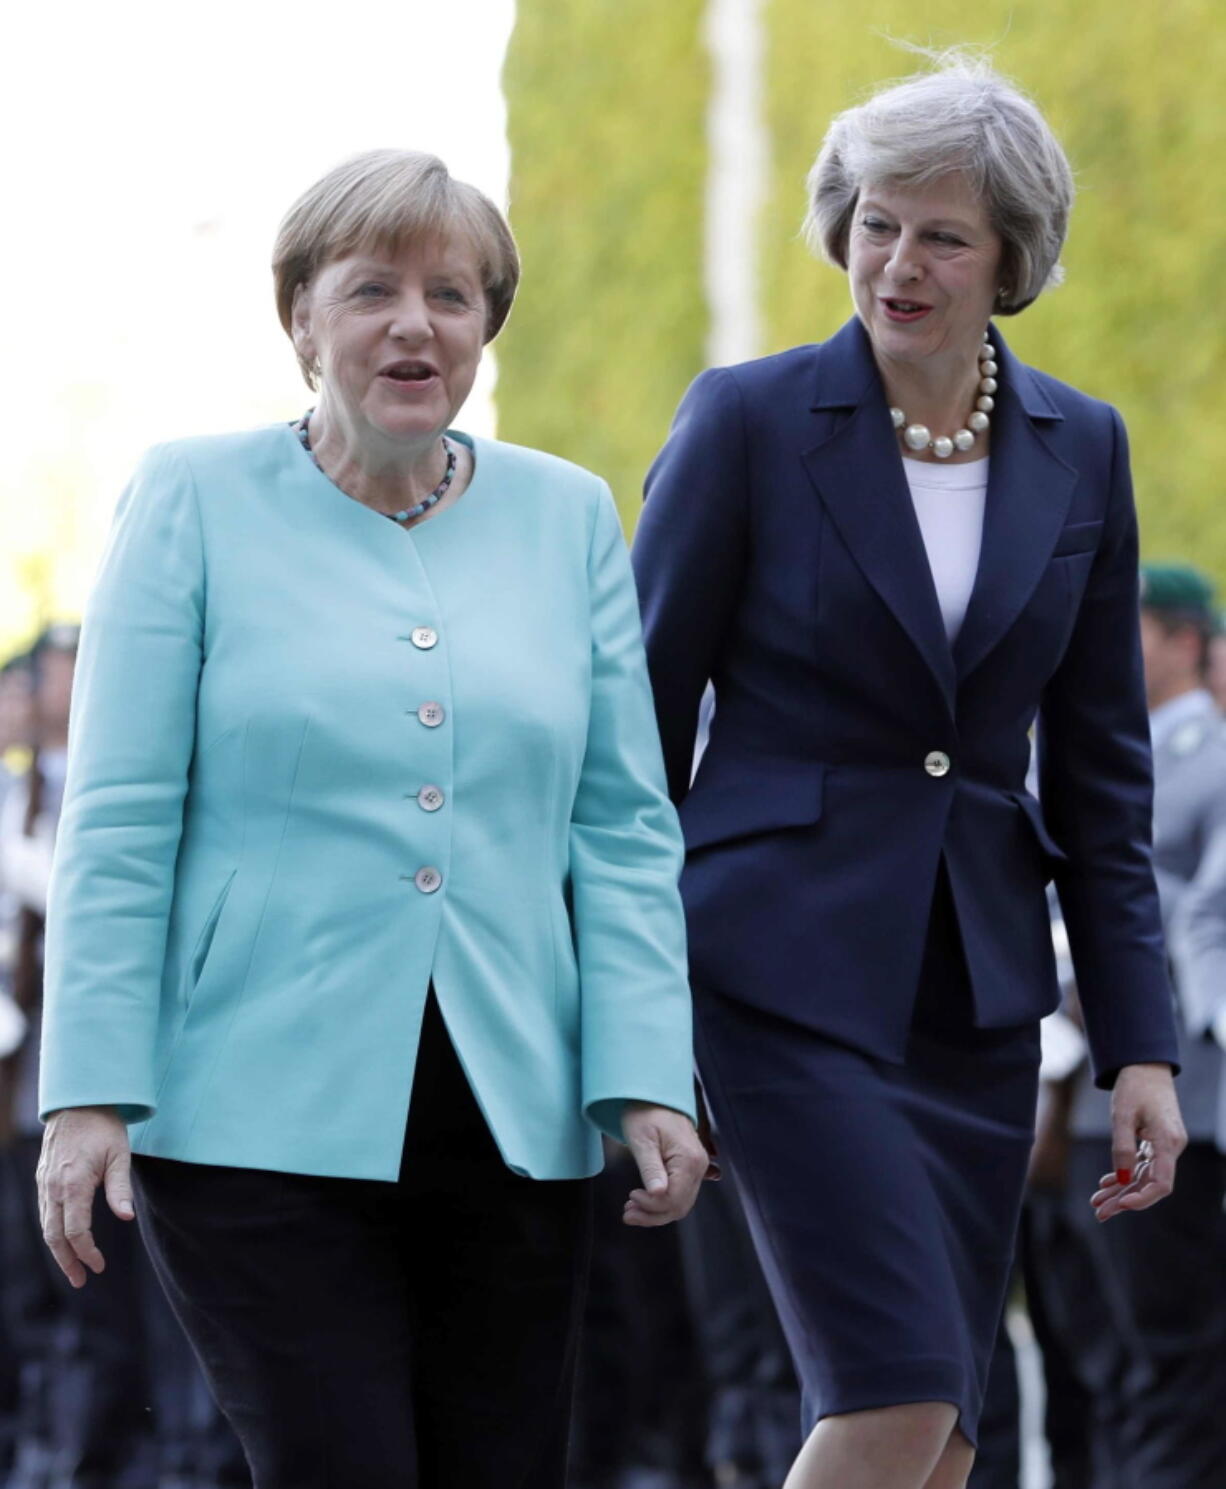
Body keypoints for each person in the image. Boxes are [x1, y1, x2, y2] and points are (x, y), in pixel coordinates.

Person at [36, 148, 707, 1488]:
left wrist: (642, 1071)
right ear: (301, 320)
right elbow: (118, 817)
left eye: (451, 294)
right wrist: (90, 1091)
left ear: (483, 330)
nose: (414, 322)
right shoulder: (192, 498)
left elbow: (621, 828)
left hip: (511, 1108)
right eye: (372, 289)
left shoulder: (566, 514)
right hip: (247, 1109)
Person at [632, 53, 1185, 1489]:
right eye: (876, 221)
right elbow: (630, 733)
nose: (896, 261)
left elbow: (1101, 782)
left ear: (1009, 256)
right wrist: (626, 1020)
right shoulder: (745, 421)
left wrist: (1139, 1045)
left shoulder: (1084, 448)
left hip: (976, 1001)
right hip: (775, 977)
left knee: (944, 1425)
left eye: (939, 232)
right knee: (893, 1385)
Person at [1020, 562, 1226, 1489]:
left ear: (1183, 640)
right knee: (1088, 1359)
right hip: (1068, 1093)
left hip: (1164, 1084)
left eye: (1129, 627)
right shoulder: (1081, 749)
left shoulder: (1209, 755)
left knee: (1167, 1362)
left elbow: (1193, 914)